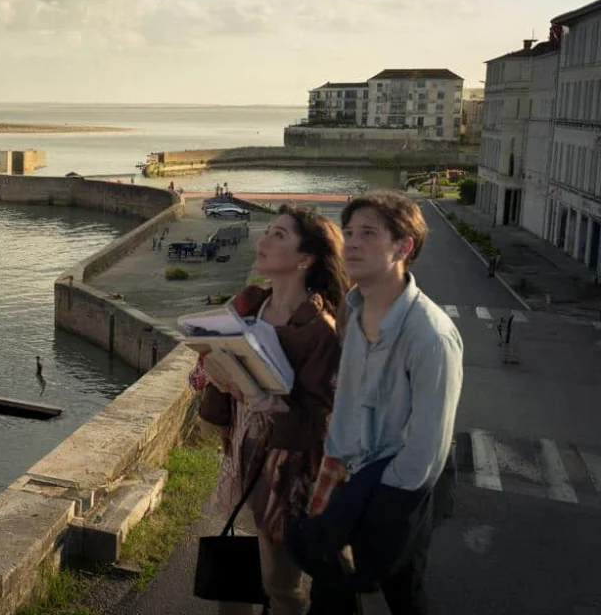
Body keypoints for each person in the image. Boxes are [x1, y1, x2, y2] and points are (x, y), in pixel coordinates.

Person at [292, 192, 462, 615]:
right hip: (346, 479)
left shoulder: (430, 335)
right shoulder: (355, 312)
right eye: (349, 232)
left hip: (395, 495)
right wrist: (337, 475)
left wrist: (375, 505)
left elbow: (426, 452)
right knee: (330, 595)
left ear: (404, 247)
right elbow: (347, 403)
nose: (351, 243)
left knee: (400, 598)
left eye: (368, 233)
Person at [198, 205, 348, 615]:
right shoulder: (249, 302)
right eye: (267, 231)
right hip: (240, 449)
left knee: (278, 583)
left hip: (286, 469)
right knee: (235, 569)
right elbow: (218, 364)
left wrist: (271, 402)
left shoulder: (320, 330)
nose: (262, 241)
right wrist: (216, 372)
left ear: (305, 259)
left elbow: (319, 422)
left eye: (279, 235)